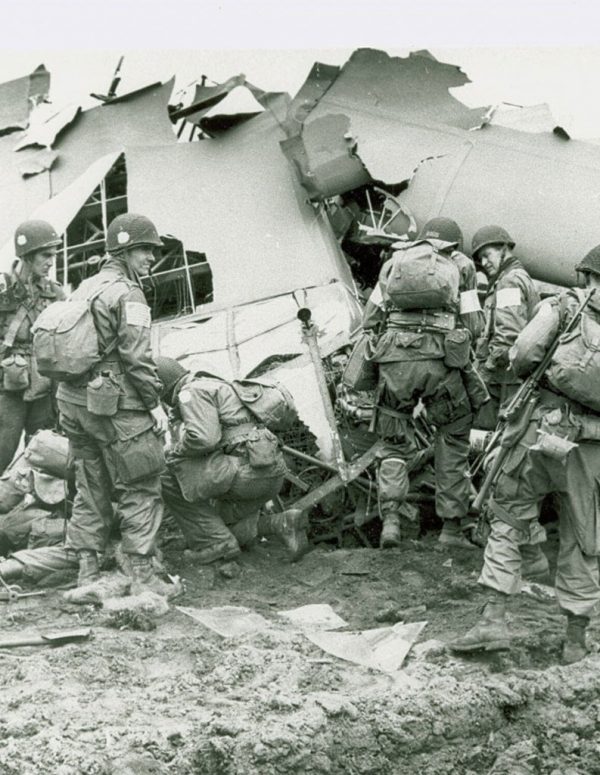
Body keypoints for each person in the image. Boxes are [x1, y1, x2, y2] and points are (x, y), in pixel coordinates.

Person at [451, 246, 600, 664]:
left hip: (540, 431)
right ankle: (574, 638)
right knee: (585, 538)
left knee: (509, 516)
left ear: (585, 273)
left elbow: (523, 354)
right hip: (592, 450)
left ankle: (493, 620)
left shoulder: (564, 305)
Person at [56, 213, 170, 598]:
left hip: (72, 403)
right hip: (112, 404)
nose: (152, 257)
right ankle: (142, 573)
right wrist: (154, 403)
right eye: (144, 250)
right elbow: (136, 357)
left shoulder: (83, 287)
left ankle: (87, 572)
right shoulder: (128, 293)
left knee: (90, 483)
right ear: (123, 251)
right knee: (140, 481)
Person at [363, 217, 488, 550]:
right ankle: (450, 531)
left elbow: (370, 318)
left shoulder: (392, 263)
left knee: (392, 440)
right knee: (453, 434)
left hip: (394, 361)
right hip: (440, 362)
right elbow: (474, 324)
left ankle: (391, 520)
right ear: (452, 245)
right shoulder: (462, 265)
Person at [156, 357, 309, 564]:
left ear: (162, 386)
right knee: (222, 528)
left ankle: (215, 544)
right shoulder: (214, 383)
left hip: (245, 475)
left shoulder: (190, 392)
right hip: (269, 473)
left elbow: (204, 438)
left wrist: (175, 451)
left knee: (165, 473)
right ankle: (281, 523)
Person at [0, 220, 65, 474]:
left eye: (54, 256)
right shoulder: (3, 291)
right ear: (27, 256)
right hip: (8, 387)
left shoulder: (54, 292)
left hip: (44, 384)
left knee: (44, 452)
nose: (51, 262)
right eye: (45, 255)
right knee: (3, 450)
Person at [472, 225, 540, 429]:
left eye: (487, 255)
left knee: (484, 433)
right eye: (480, 259)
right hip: (508, 376)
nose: (484, 263)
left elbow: (509, 334)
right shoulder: (515, 276)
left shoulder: (509, 281)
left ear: (504, 248)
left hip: (503, 378)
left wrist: (483, 372)